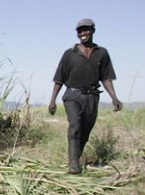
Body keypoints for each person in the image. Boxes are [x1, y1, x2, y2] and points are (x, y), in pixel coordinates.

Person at [48, 18, 123, 174]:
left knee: (85, 130)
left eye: (86, 29)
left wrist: (114, 98)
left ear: (93, 30)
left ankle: (76, 157)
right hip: (72, 95)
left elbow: (106, 78)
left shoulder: (102, 53)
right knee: (74, 125)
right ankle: (74, 164)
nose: (83, 33)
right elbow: (59, 79)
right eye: (80, 31)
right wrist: (53, 100)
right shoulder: (69, 54)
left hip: (92, 97)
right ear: (77, 33)